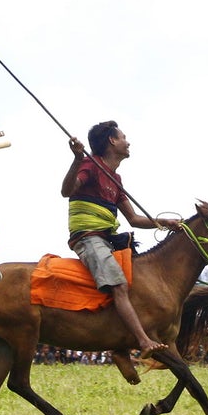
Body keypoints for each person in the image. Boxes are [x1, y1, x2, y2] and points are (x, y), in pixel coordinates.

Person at [60, 121, 182, 355]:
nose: (128, 142)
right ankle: (143, 341)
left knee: (139, 283)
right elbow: (67, 191)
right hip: (88, 238)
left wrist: (164, 222)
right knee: (119, 285)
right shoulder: (90, 165)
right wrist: (76, 160)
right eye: (123, 137)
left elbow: (134, 219)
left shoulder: (116, 179)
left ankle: (120, 346)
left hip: (108, 239)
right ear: (112, 141)